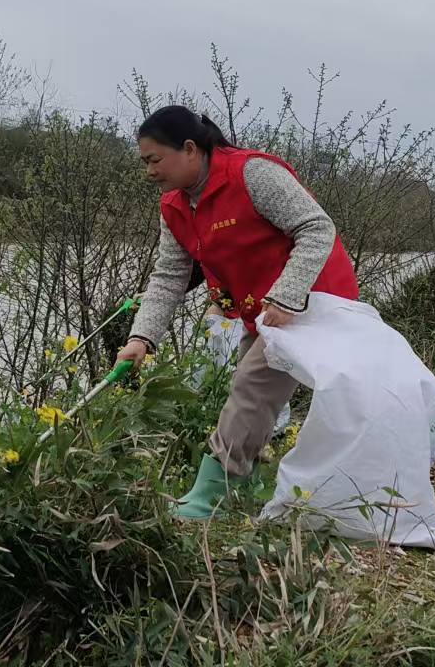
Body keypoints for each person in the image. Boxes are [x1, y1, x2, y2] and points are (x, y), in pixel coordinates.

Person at [116, 106, 357, 519]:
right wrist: (141, 339)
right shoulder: (174, 207)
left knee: (252, 382)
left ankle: (211, 494)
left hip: (312, 301)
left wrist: (286, 297)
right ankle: (246, 484)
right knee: (249, 391)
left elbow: (317, 228)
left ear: (189, 149)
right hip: (262, 312)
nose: (149, 172)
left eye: (155, 160)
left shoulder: (251, 174)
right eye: (144, 163)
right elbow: (170, 276)